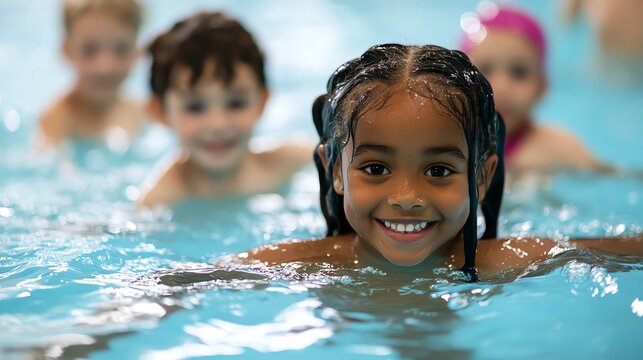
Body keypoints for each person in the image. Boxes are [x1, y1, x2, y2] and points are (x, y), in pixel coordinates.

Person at [230, 44, 642, 279]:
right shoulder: (298, 266)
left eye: (438, 171)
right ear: (336, 170)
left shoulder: (509, 261)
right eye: (376, 169)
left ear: (481, 178)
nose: (407, 197)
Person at [138, 12, 312, 208]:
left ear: (262, 102)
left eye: (236, 103)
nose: (218, 124)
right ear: (159, 111)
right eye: (195, 107)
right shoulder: (158, 202)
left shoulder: (294, 163)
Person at [460, 5, 608, 173]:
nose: (502, 87)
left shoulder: (556, 150)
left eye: (518, 72)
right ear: (461, 84)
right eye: (485, 70)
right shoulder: (451, 143)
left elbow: (610, 177)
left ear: (541, 88)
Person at [38, 0, 146, 150]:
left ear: (137, 53)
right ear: (67, 50)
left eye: (121, 49)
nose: (105, 67)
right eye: (90, 50)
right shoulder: (57, 119)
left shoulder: (141, 113)